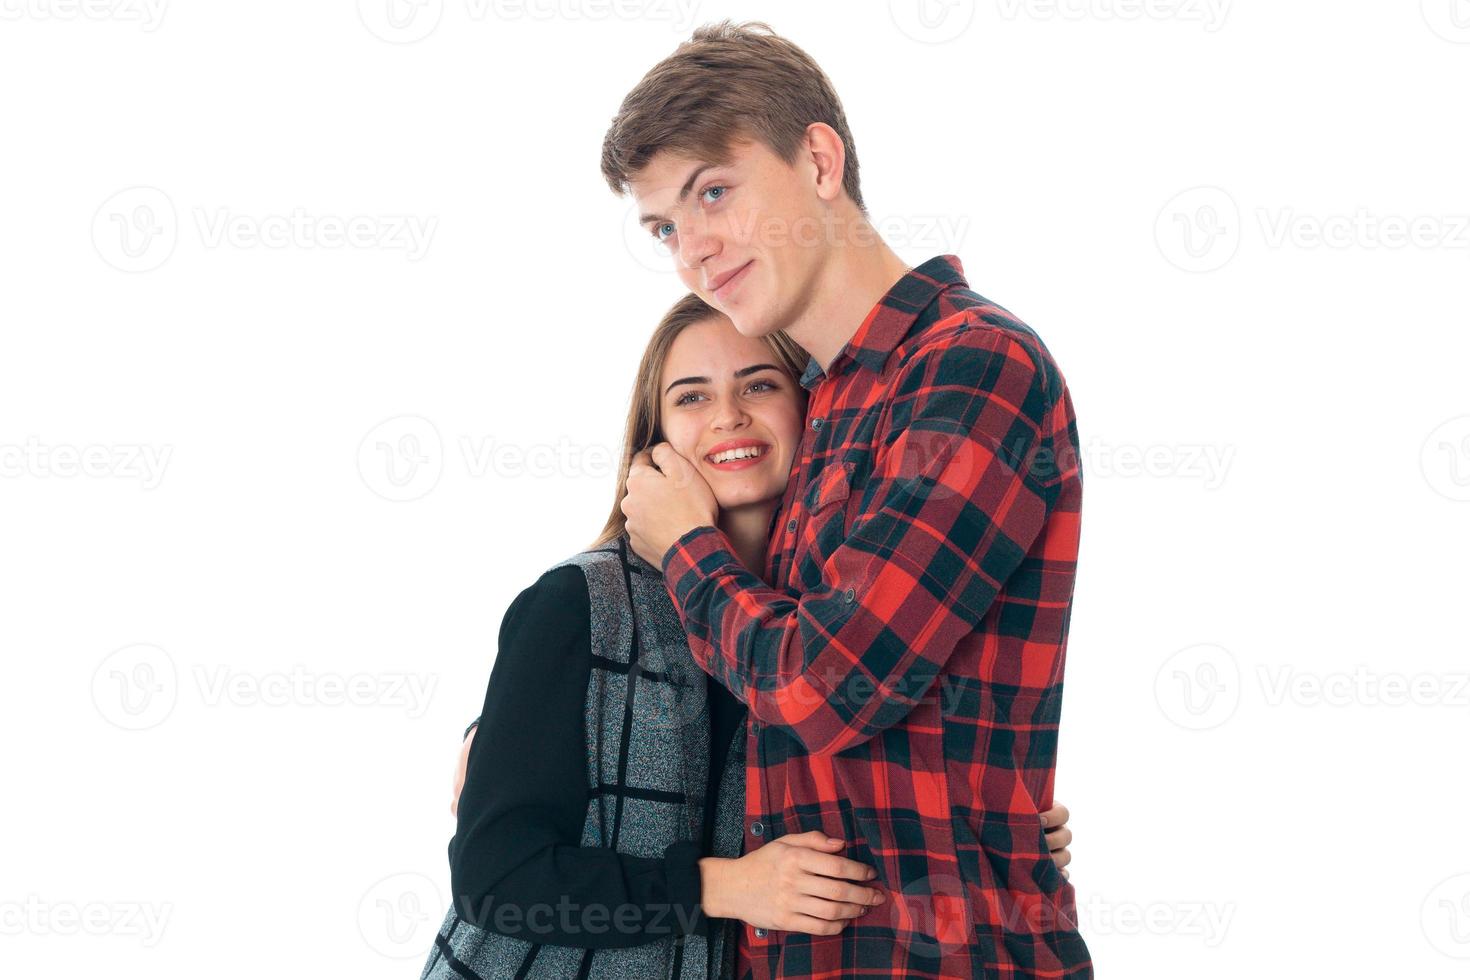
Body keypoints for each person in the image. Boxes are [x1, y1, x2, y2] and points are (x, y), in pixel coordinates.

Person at [609, 21, 1094, 979]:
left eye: (714, 192)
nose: (693, 251)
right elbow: (750, 671)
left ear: (819, 160)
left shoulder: (972, 368)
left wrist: (684, 548)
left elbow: (825, 684)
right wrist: (519, 734)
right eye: (665, 227)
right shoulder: (818, 401)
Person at [424, 295, 1077, 980]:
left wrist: (983, 821)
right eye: (691, 398)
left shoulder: (819, 626)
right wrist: (724, 887)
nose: (728, 416)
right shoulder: (579, 603)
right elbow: (492, 878)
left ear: (814, 413)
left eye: (759, 385)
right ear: (656, 441)